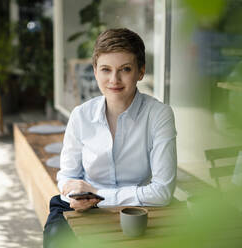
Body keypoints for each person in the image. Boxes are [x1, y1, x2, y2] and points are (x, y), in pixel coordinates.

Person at [43, 28, 177, 247]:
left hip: (141, 208)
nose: (114, 79)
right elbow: (67, 176)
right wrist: (77, 195)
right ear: (95, 71)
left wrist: (100, 195)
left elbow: (162, 192)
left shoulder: (159, 115)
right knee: (57, 236)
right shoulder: (81, 115)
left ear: (140, 72)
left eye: (125, 69)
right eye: (106, 69)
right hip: (85, 205)